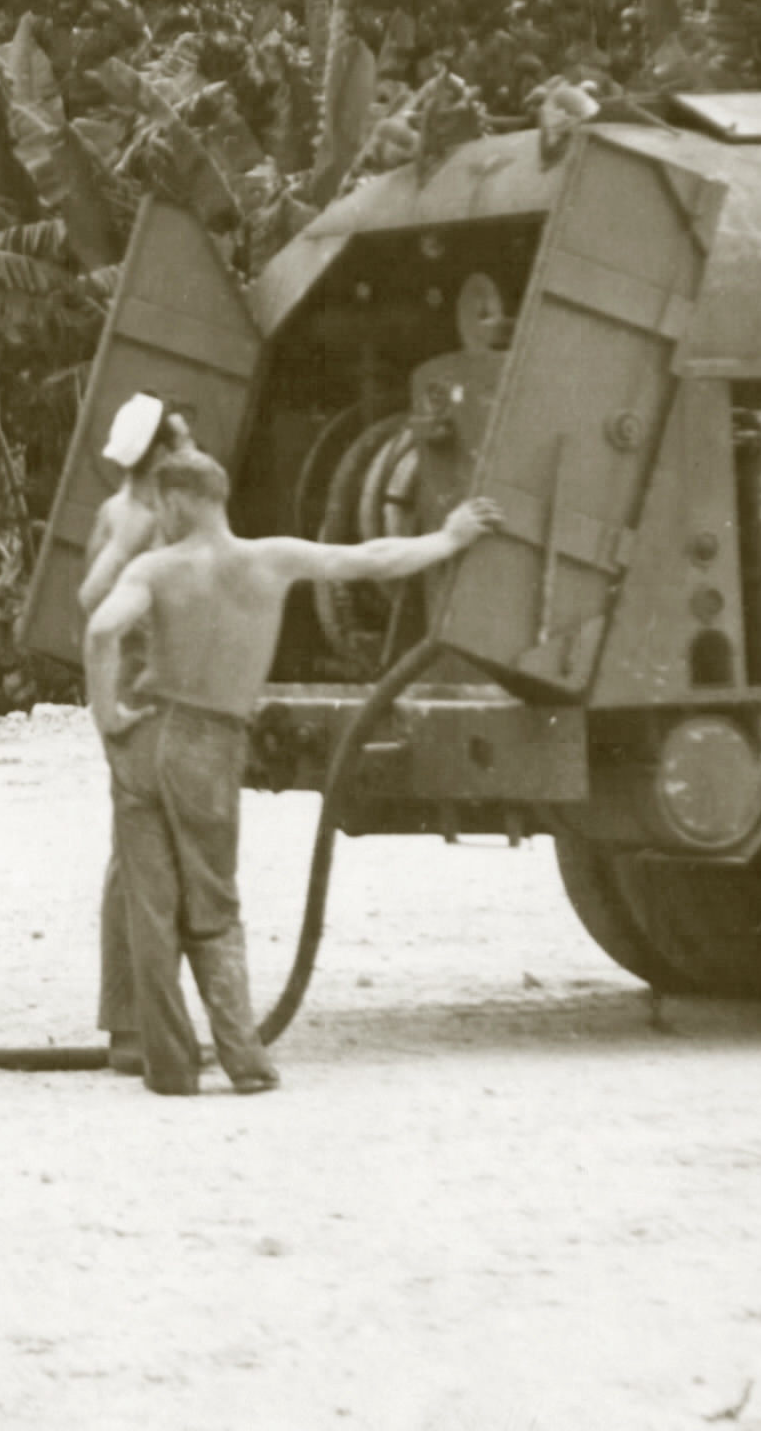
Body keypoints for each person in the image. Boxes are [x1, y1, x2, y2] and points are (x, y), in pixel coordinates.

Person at [83, 453, 494, 1098]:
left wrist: (107, 714)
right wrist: (449, 537)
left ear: (178, 503)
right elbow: (371, 558)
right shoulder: (270, 560)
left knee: (150, 905)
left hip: (149, 733)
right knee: (214, 900)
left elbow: (103, 628)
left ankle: (170, 1069)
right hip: (212, 741)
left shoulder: (155, 569)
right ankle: (243, 1060)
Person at [77, 399, 198, 1078]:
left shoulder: (130, 508)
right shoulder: (138, 517)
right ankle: (131, 1028)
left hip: (139, 692)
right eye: (182, 438)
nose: (193, 442)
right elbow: (94, 600)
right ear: (158, 453)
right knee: (139, 864)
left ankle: (138, 1022)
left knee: (140, 859)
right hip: (135, 698)